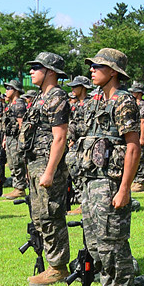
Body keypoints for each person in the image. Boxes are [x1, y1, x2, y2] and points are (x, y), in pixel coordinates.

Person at [76, 48, 141, 286]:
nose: (91, 70)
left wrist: (125, 188)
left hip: (111, 182)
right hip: (92, 181)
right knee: (95, 242)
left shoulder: (123, 102)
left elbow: (133, 147)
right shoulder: (94, 101)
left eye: (97, 66)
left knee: (113, 241)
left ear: (113, 71)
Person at [19, 52, 72, 286]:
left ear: (50, 72)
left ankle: (58, 267)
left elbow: (59, 137)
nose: (31, 71)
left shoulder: (56, 97)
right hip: (36, 162)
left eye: (36, 67)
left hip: (48, 163)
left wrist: (50, 171)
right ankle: (53, 264)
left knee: (51, 214)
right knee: (40, 215)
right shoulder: (41, 96)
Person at [65, 75, 93, 213]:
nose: (72, 89)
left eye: (75, 86)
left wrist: (74, 131)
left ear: (83, 88)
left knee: (85, 172)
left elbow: (89, 125)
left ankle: (85, 203)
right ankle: (82, 199)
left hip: (87, 143)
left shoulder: (90, 104)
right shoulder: (76, 105)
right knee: (74, 169)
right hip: (76, 143)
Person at [1, 79, 28, 200]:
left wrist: (22, 141)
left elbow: (21, 124)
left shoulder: (19, 104)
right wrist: (5, 139)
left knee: (17, 162)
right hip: (10, 137)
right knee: (12, 163)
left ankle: (20, 188)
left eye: (9, 88)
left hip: (17, 138)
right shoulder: (11, 104)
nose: (6, 91)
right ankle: (16, 187)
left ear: (15, 90)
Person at [129, 83, 144, 192]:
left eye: (134, 91)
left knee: (140, 158)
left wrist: (142, 137)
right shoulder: (133, 103)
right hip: (133, 134)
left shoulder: (142, 104)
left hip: (139, 135)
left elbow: (143, 121)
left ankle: (140, 181)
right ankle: (134, 179)